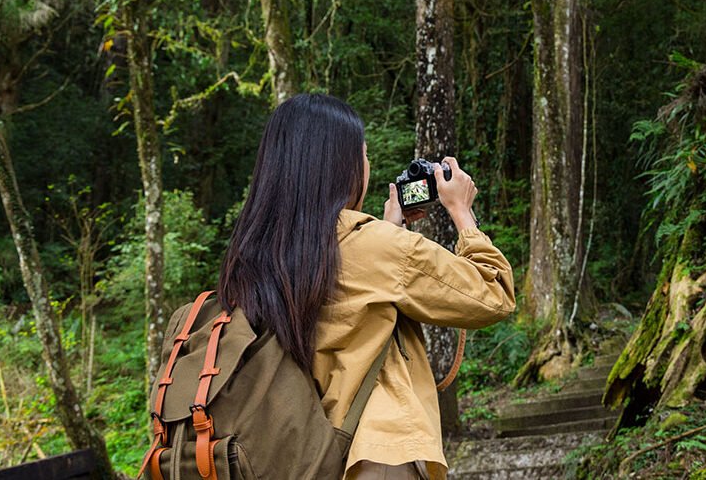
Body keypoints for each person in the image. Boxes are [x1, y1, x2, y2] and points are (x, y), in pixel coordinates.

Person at [217, 93, 516, 479]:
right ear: (343, 166)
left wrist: (390, 231)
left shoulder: (251, 255)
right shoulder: (373, 247)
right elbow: (493, 295)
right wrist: (462, 212)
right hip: (375, 456)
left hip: (301, 457)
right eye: (363, 154)